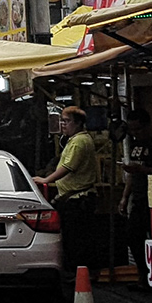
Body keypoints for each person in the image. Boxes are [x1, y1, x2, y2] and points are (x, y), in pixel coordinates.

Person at [36, 106, 102, 274]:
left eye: (67, 121)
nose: (63, 124)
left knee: (76, 240)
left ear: (78, 123)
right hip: (71, 198)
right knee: (74, 239)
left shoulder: (79, 142)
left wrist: (46, 180)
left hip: (78, 199)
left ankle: (79, 274)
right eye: (62, 121)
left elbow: (68, 167)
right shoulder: (74, 140)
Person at [119, 109, 152, 280]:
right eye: (132, 130)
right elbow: (132, 175)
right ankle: (144, 274)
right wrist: (125, 197)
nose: (135, 133)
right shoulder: (134, 146)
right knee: (133, 236)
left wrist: (144, 170)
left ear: (147, 126)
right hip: (139, 198)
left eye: (138, 129)